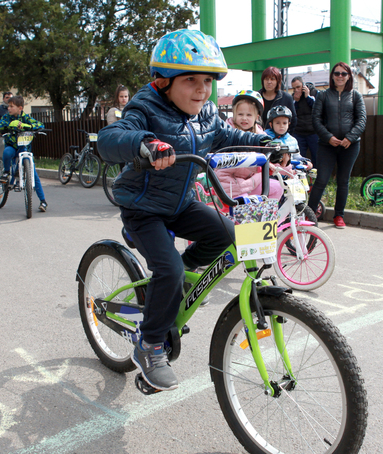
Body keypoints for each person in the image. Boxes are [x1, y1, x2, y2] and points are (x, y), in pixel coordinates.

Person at [97, 29, 268, 392]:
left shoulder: (205, 113)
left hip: (180, 202)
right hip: (143, 208)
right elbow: (112, 139)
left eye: (207, 81)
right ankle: (149, 344)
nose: (201, 89)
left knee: (227, 236)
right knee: (169, 268)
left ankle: (180, 275)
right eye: (190, 80)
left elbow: (225, 135)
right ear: (163, 81)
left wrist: (267, 143)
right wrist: (145, 143)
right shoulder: (145, 106)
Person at [308, 63, 366, 229]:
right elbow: (316, 120)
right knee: (321, 180)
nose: (340, 76)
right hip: (327, 145)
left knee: (343, 181)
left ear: (349, 76)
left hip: (350, 146)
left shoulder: (356, 96)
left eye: (344, 74)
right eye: (337, 73)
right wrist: (328, 137)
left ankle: (339, 215)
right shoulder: (323, 96)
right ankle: (309, 215)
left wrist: (350, 137)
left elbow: (361, 120)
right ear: (332, 76)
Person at [215, 90, 283, 199]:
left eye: (249, 115)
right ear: (234, 114)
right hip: (229, 183)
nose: (244, 118)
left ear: (257, 117)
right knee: (245, 201)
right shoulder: (228, 134)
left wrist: (273, 161)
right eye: (240, 114)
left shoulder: (260, 135)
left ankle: (268, 215)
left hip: (250, 182)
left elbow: (268, 153)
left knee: (277, 188)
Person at [0, 95, 49, 212]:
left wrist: (27, 126)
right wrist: (9, 125)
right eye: (8, 106)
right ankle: (6, 172)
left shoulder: (26, 117)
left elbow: (40, 125)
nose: (9, 108)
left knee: (33, 174)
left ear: (20, 108)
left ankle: (43, 201)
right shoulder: (6, 117)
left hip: (24, 148)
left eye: (11, 106)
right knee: (7, 152)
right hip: (12, 146)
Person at [291, 76, 319, 169]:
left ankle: (317, 177)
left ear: (303, 85)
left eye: (298, 87)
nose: (296, 90)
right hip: (299, 132)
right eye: (294, 88)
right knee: (299, 158)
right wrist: (296, 101)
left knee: (317, 156)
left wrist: (308, 97)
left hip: (313, 132)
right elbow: (291, 114)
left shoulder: (313, 93)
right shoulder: (293, 98)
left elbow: (318, 108)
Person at [259, 66, 297, 135]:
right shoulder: (256, 97)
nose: (269, 82)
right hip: (257, 137)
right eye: (266, 79)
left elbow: (293, 120)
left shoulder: (286, 97)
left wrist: (284, 136)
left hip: (279, 139)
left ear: (278, 81)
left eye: (272, 79)